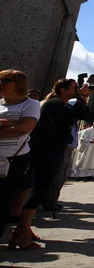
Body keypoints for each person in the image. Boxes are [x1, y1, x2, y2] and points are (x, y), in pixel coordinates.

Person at [16, 78, 90, 249]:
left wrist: (82, 97)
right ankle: (22, 231)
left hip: (51, 148)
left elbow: (82, 115)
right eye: (74, 88)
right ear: (63, 90)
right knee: (39, 188)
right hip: (46, 150)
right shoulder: (55, 104)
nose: (76, 90)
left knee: (39, 187)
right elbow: (76, 114)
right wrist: (82, 96)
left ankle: (24, 228)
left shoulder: (59, 104)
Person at [0, 70, 40, 244]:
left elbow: (25, 127)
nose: (0, 83)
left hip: (14, 158)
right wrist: (13, 124)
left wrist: (12, 125)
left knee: (3, 201)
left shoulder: (30, 104)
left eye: (4, 80)